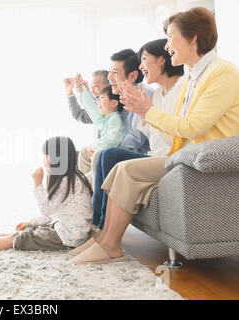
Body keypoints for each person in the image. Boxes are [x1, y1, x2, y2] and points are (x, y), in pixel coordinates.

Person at [71, 7, 239, 265]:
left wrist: (147, 110)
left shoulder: (221, 72)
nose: (168, 46)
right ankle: (105, 240)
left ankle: (110, 245)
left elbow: (192, 126)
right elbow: (177, 127)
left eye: (171, 37)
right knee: (119, 169)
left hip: (197, 162)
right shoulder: (194, 76)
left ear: (193, 38)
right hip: (181, 155)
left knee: (125, 169)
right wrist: (144, 112)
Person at [78, 38, 185, 234]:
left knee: (107, 154)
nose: (110, 77)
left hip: (159, 155)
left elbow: (141, 137)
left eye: (145, 60)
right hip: (154, 152)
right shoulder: (156, 94)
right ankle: (92, 224)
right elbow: (98, 115)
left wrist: (145, 113)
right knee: (101, 155)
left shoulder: (154, 94)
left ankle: (99, 228)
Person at [0, 136, 94, 251]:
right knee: (19, 232)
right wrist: (30, 222)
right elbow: (55, 214)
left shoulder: (67, 181)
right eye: (44, 155)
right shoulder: (69, 178)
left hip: (69, 236)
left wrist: (37, 183)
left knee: (18, 238)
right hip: (67, 229)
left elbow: (46, 210)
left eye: (48, 155)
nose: (44, 159)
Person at [76, 49, 154, 182]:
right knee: (85, 153)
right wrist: (82, 91)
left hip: (139, 153)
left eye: (115, 72)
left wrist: (105, 147)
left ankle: (84, 190)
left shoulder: (143, 94)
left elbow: (137, 138)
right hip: (118, 149)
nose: (109, 77)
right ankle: (85, 192)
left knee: (97, 159)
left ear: (133, 76)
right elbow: (97, 112)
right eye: (110, 71)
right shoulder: (119, 95)